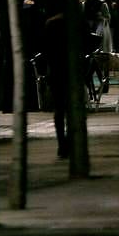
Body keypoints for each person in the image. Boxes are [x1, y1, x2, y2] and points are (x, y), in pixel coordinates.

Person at [42, 9, 72, 159]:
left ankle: (62, 144)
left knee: (59, 109)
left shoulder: (50, 24)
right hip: (70, 70)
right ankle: (70, 141)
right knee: (70, 108)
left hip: (55, 70)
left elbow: (45, 49)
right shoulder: (75, 22)